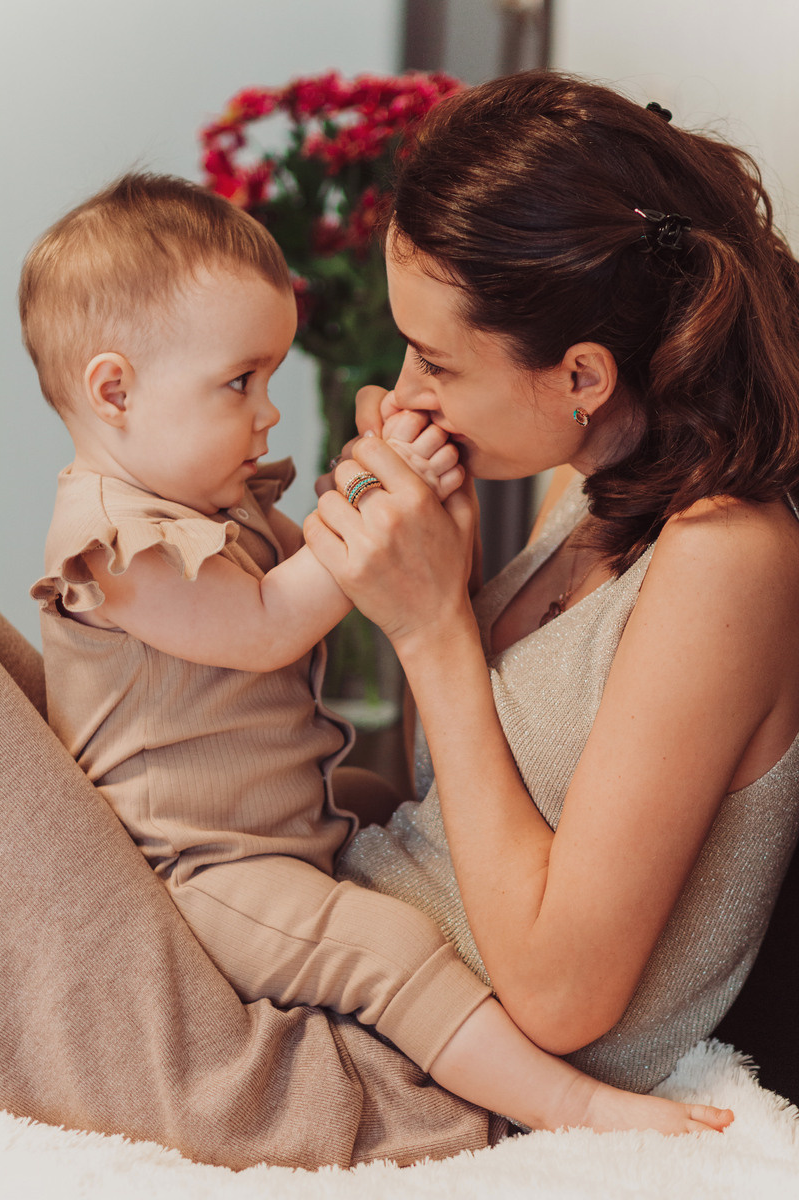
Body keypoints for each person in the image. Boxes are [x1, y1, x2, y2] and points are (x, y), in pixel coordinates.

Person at [22, 173, 726, 1137]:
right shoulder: (113, 541)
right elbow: (270, 621)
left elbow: (310, 569)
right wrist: (371, 519)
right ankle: (572, 1109)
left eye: (268, 379)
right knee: (384, 948)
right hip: (203, 870)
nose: (269, 414)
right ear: (115, 391)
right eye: (240, 384)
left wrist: (393, 494)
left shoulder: (206, 507)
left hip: (274, 838)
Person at [304, 70, 799, 1095]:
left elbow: (560, 992)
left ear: (581, 377)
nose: (405, 395)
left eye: (433, 362)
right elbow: (449, 822)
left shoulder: (725, 554)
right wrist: (437, 577)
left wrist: (432, 627)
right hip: (362, 988)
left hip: (427, 1072)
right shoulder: (585, 488)